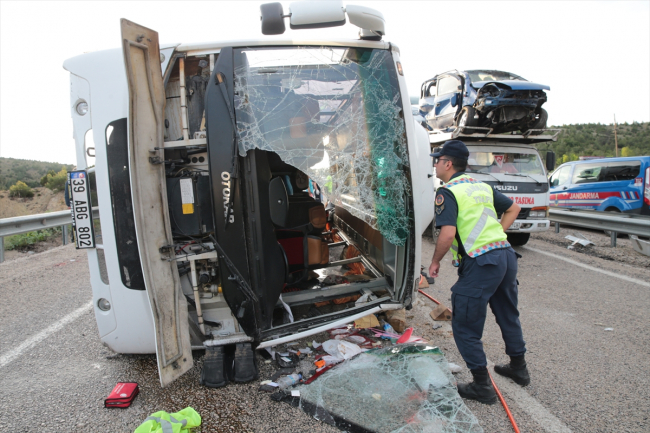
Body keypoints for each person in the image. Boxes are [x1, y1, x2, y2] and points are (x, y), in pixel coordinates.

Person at [428, 140, 530, 405]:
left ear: (448, 164)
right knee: (508, 313)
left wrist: (435, 261)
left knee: (464, 324)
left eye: (437, 160)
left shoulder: (447, 191)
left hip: (481, 261)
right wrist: (496, 234)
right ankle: (519, 368)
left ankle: (482, 386)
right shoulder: (481, 185)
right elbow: (514, 208)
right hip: (505, 255)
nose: (435, 164)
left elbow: (447, 234)